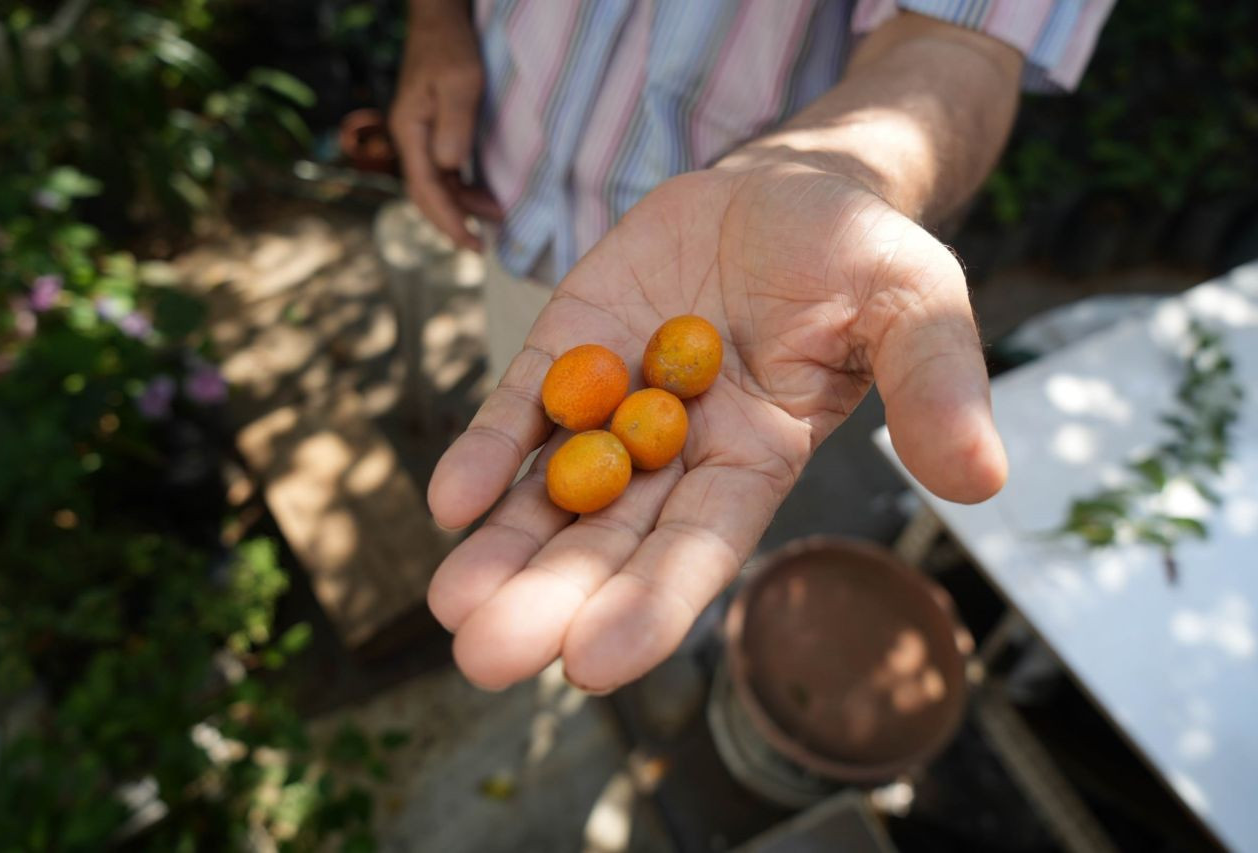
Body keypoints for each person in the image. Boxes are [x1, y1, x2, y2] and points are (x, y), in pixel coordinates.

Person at [389, 0, 1114, 693]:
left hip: (745, 288)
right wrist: (437, 21)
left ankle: (681, 641)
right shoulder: (591, 383)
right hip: (509, 200)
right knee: (518, 440)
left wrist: (837, 172)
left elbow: (962, 41)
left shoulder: (667, 381)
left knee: (670, 539)